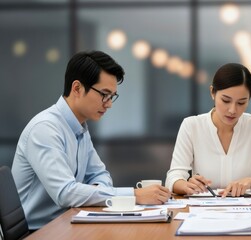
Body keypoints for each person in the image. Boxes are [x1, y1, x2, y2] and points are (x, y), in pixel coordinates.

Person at [11, 51, 171, 230]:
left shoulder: (80, 127)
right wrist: (134, 194)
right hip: (38, 231)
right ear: (77, 88)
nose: (109, 103)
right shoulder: (45, 129)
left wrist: (91, 193)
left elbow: (100, 175)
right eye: (104, 94)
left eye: (112, 96)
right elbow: (66, 193)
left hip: (68, 223)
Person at [165, 63, 251, 197]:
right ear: (212, 93)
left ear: (249, 99)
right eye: (226, 100)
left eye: (241, 103)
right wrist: (186, 185)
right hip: (203, 210)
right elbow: (173, 178)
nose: (232, 110)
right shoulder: (191, 125)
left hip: (247, 210)